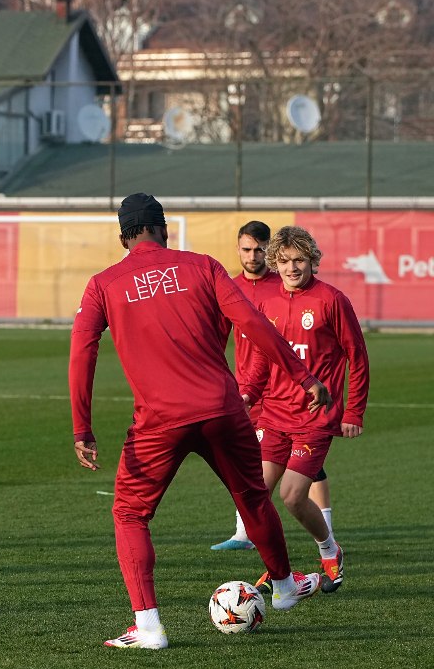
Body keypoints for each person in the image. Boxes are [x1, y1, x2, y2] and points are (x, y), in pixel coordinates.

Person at [69, 193, 331, 649]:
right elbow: (254, 324)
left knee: (130, 514)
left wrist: (82, 427)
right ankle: (285, 586)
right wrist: (303, 375)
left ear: (123, 237)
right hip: (223, 410)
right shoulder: (202, 266)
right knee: (253, 498)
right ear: (164, 229)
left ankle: (149, 627)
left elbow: (82, 353)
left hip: (158, 422)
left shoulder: (103, 284)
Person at [240, 226, 368, 594]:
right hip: (274, 414)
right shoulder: (267, 303)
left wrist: (353, 412)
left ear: (312, 261)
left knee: (293, 495)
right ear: (275, 263)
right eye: (284, 261)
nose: (292, 268)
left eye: (299, 260)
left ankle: (329, 550)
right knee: (254, 497)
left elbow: (358, 357)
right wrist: (247, 394)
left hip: (315, 417)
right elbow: (263, 358)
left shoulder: (332, 300)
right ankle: (279, 571)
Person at [211, 221, 336, 551]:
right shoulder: (230, 288)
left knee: (306, 469)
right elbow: (219, 340)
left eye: (259, 250)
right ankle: (245, 534)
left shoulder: (281, 286)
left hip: (292, 395)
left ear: (269, 252)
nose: (252, 256)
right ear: (238, 250)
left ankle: (326, 533)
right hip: (250, 392)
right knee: (253, 468)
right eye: (246, 249)